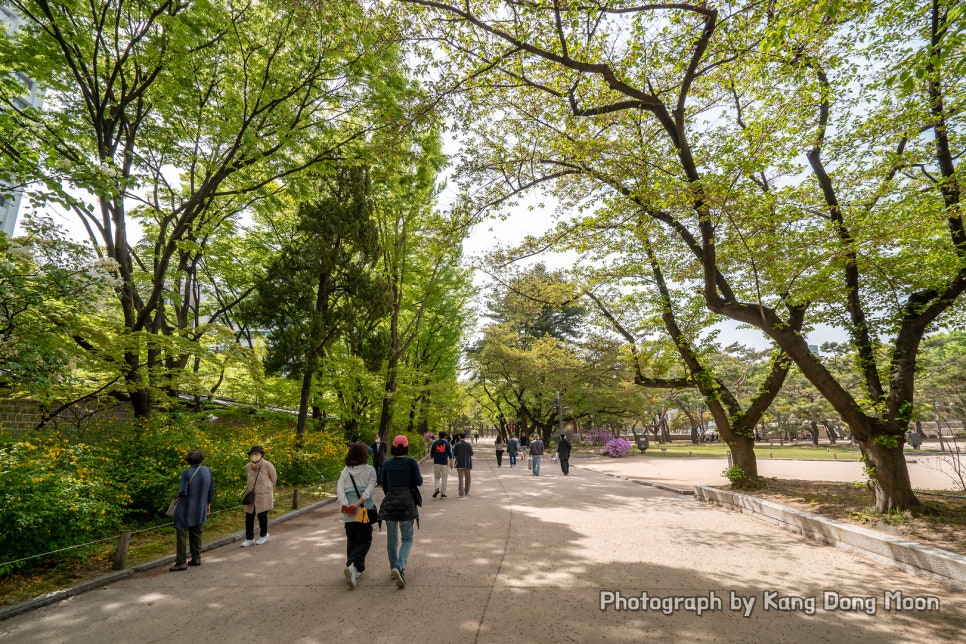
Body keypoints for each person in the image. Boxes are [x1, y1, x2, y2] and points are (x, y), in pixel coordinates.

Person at [379, 435, 423, 589]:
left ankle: (393, 567)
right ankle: (399, 566)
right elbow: (419, 481)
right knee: (407, 538)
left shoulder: (387, 464)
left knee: (392, 539)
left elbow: (383, 484)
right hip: (406, 503)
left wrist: (391, 495)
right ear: (406, 447)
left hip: (390, 502)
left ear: (393, 447)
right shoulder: (411, 462)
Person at [337, 442, 378, 589]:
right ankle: (352, 565)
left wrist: (347, 504)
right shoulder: (370, 470)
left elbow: (340, 489)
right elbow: (370, 489)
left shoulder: (345, 471)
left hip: (349, 512)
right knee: (365, 539)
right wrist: (358, 503)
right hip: (363, 510)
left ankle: (356, 569)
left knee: (352, 539)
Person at [170, 449, 214, 571]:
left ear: (188, 460)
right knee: (197, 532)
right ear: (202, 459)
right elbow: (211, 489)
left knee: (182, 533)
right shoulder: (207, 471)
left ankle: (181, 562)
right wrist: (208, 503)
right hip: (200, 506)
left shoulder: (186, 473)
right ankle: (196, 558)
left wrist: (176, 496)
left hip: (186, 507)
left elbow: (183, 490)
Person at [240, 445, 277, 547]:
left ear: (261, 454)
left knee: (262, 515)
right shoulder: (248, 466)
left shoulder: (267, 465)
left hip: (264, 495)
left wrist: (268, 488)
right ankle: (249, 538)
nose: (254, 456)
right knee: (249, 516)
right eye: (252, 454)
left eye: (256, 453)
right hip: (251, 495)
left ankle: (264, 535)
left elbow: (274, 478)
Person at [430, 431, 454, 498]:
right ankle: (443, 493)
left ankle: (437, 488)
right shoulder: (447, 443)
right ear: (445, 436)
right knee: (444, 478)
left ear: (438, 436)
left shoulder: (435, 443)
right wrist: (451, 463)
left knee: (437, 477)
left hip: (436, 463)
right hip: (444, 463)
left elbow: (431, 453)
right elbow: (450, 454)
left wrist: (434, 457)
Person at [452, 432, 474, 497]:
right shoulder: (468, 444)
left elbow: (455, 454)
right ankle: (466, 491)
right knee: (468, 478)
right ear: (465, 437)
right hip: (467, 463)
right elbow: (471, 453)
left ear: (459, 437)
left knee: (460, 478)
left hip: (459, 463)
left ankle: (461, 493)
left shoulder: (457, 445)